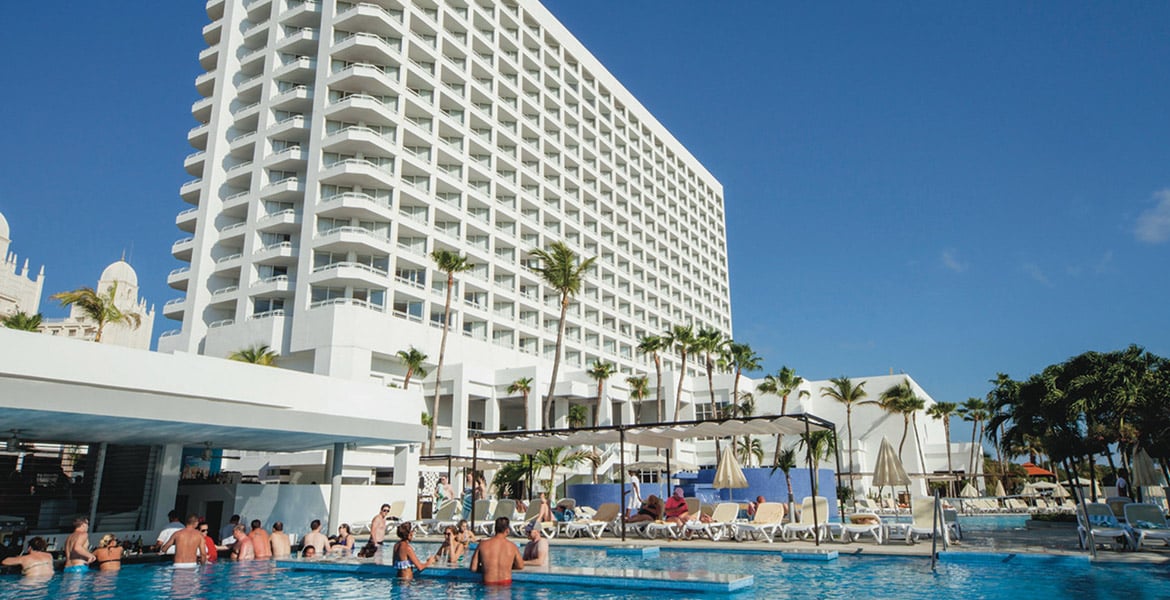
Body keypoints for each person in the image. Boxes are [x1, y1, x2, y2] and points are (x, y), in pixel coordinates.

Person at [470, 517, 523, 585]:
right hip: (505, 584)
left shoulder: (482, 545)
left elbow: (473, 568)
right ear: (507, 530)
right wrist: (506, 566)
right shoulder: (512, 546)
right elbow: (520, 566)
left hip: (488, 584)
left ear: (495, 529)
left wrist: (487, 567)